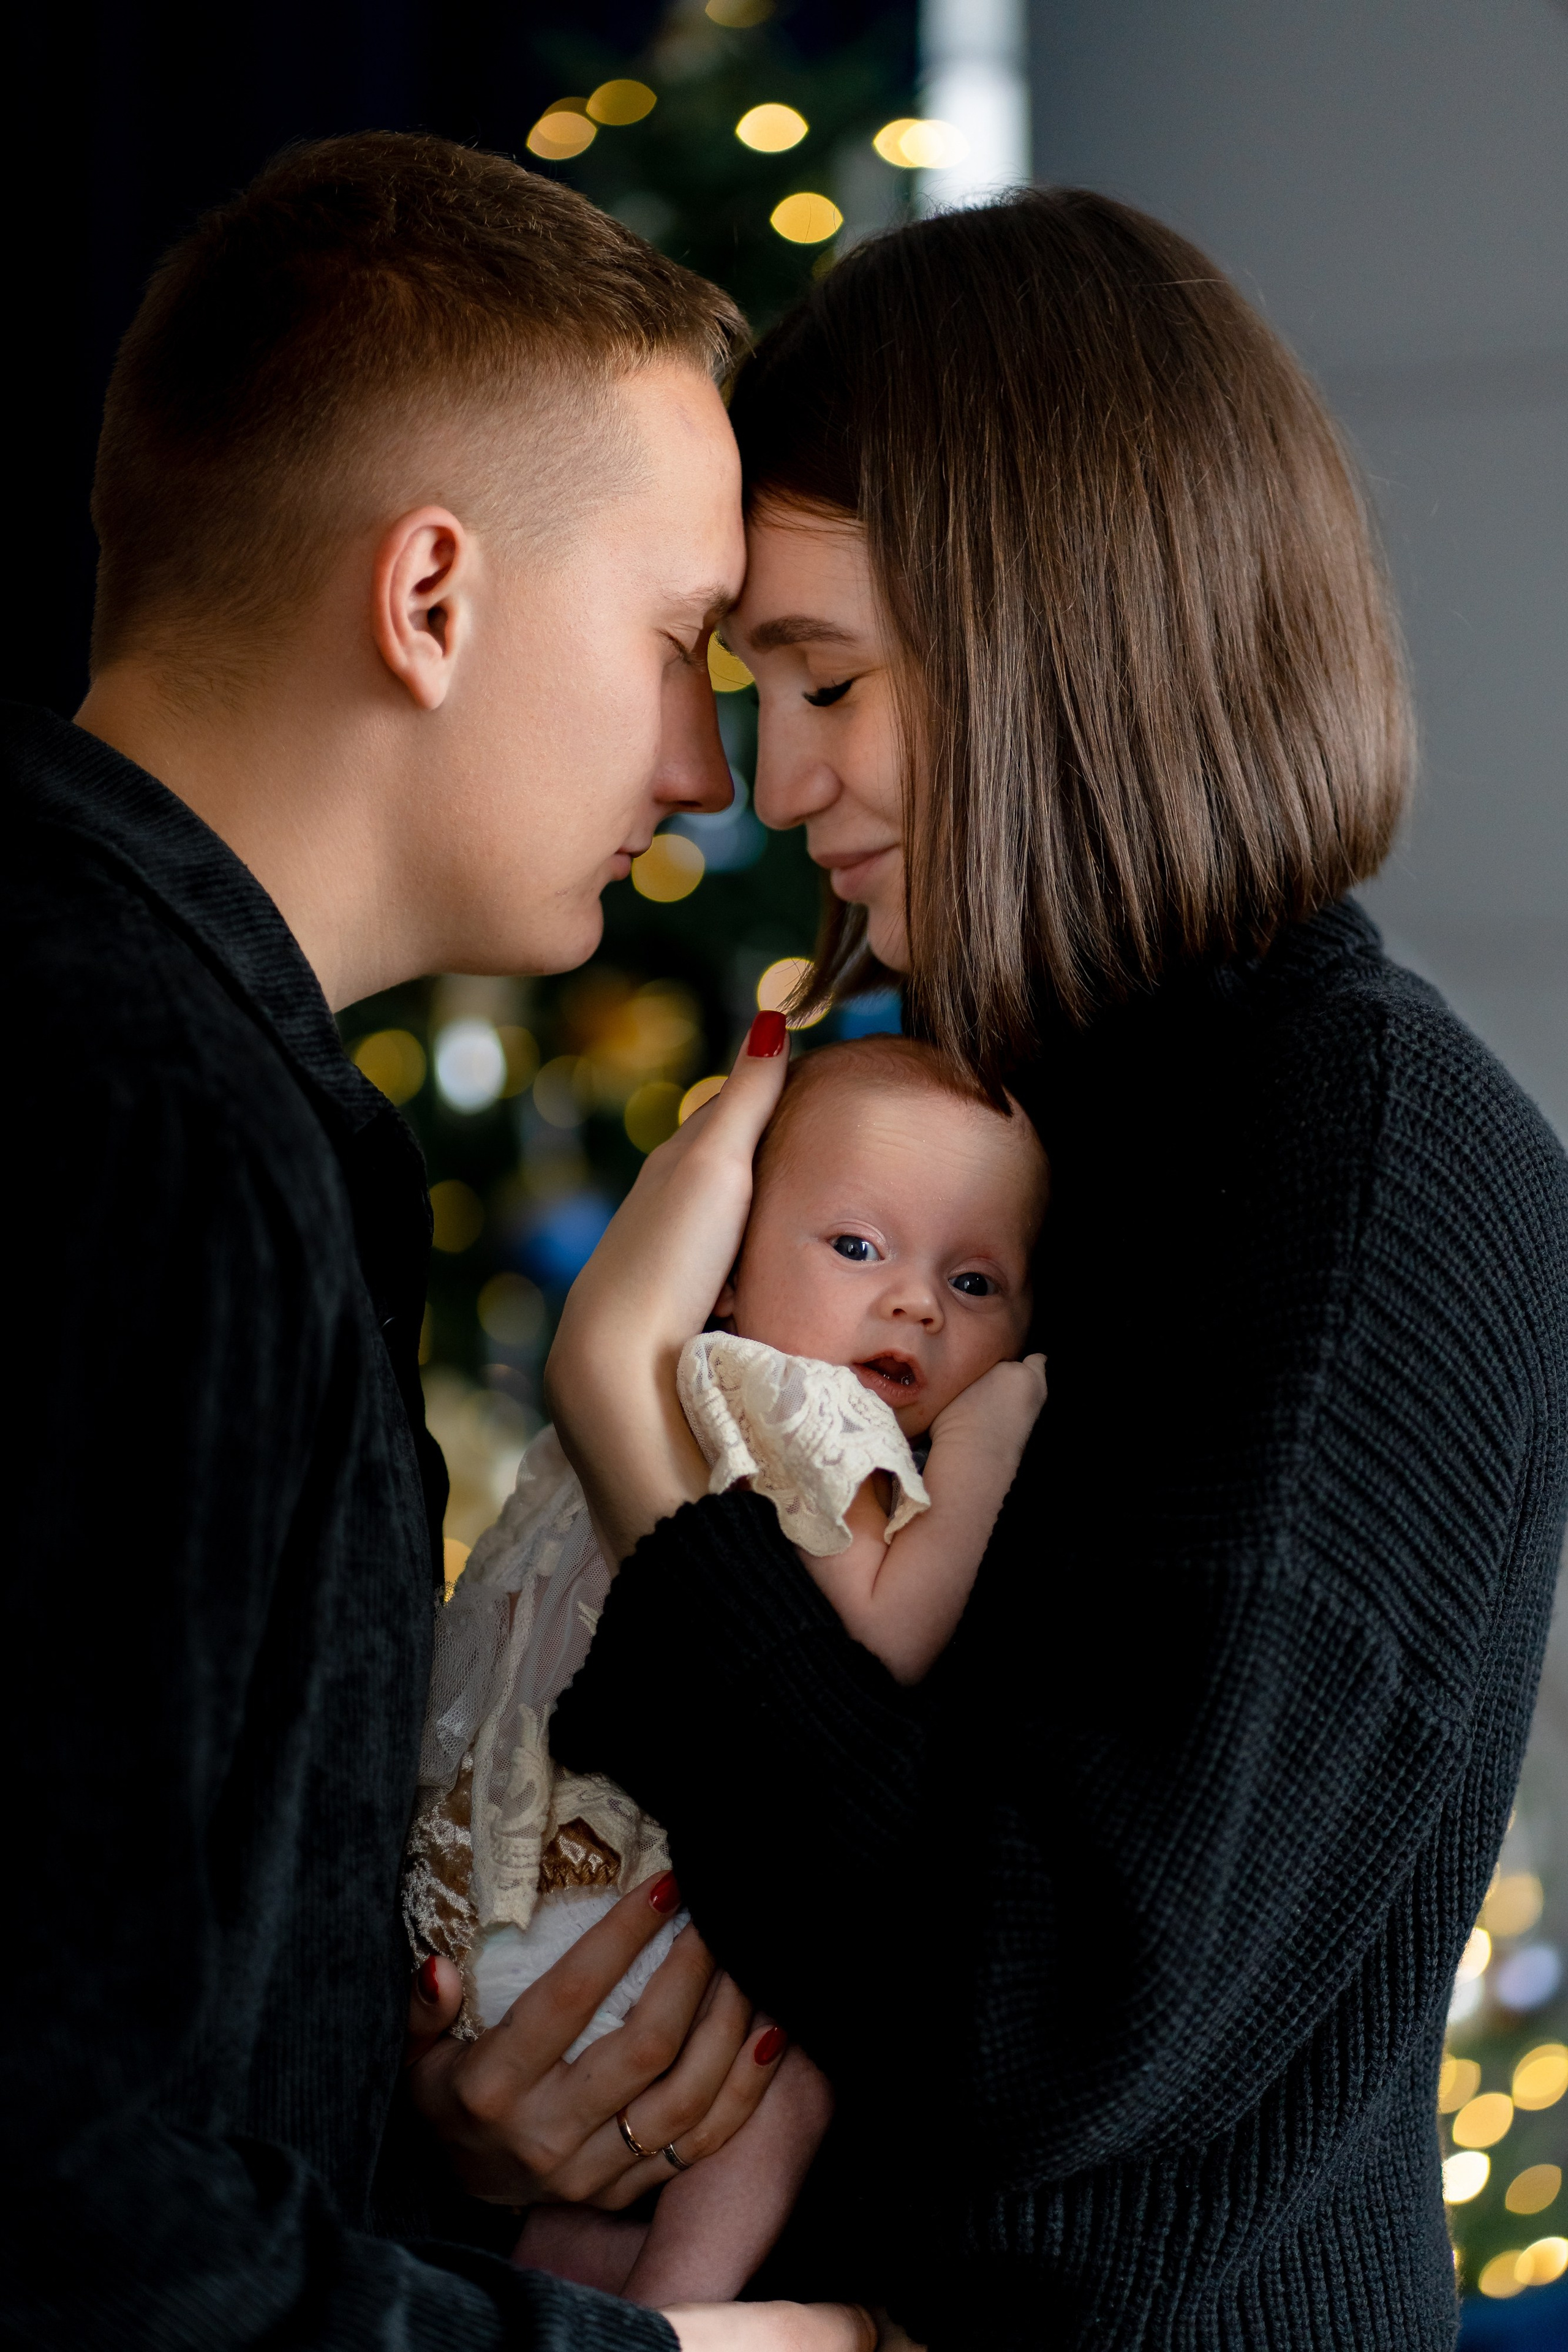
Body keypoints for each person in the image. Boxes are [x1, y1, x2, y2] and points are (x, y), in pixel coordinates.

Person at [543, 190, 1568, 2346]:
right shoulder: (1029, 1113)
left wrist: (646, 1435)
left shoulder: (1342, 1171)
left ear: (1057, 621)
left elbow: (1041, 2023)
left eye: (828, 678)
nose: (772, 781)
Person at [2, 130, 872, 2352]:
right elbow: (49, 2186)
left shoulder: (158, 1056)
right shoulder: (143, 1120)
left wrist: (411, 2130)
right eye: (686, 645)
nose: (713, 769)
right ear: (429, 599)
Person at [407, 1036, 1049, 2304]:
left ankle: (568, 2264)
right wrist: (987, 1439)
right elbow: (878, 1638)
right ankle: (680, 2305)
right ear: (727, 1270)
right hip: (622, 1948)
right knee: (812, 2030)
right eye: (856, 1248)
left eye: (973, 1280)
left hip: (476, 1932)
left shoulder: (669, 1395)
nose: (916, 1302)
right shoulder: (798, 1411)